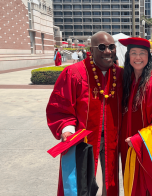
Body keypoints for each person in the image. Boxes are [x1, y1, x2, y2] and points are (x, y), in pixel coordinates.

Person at [46, 31, 123, 196]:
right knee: (81, 183)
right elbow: (60, 106)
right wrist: (67, 129)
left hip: (112, 139)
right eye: (101, 47)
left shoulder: (120, 75)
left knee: (111, 182)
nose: (108, 51)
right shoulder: (74, 73)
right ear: (91, 50)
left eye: (111, 47)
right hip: (83, 139)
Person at [119, 37, 152, 195]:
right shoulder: (128, 80)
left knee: (146, 188)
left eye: (142, 53)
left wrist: (138, 139)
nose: (137, 57)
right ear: (128, 57)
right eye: (133, 53)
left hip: (145, 148)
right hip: (128, 147)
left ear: (149, 57)